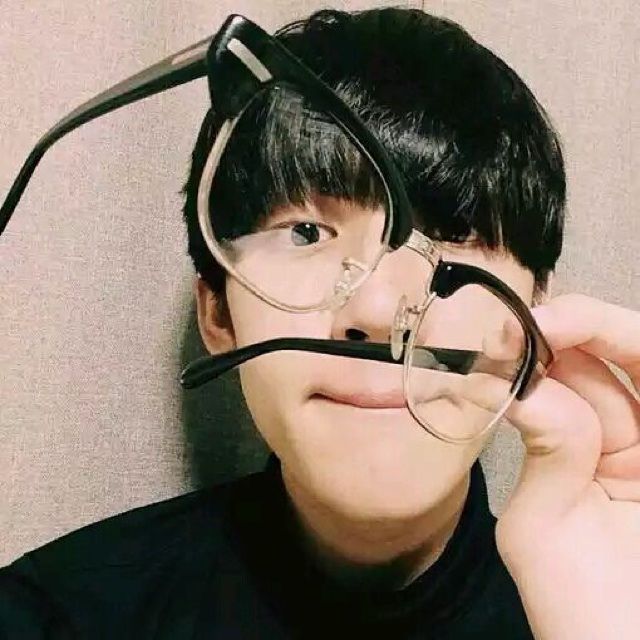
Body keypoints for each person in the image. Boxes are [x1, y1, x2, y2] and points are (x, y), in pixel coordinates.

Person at [1, 7, 638, 639]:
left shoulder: (607, 602)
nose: (379, 312)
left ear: (535, 319)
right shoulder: (55, 616)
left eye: (454, 234)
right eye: (305, 233)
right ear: (218, 311)